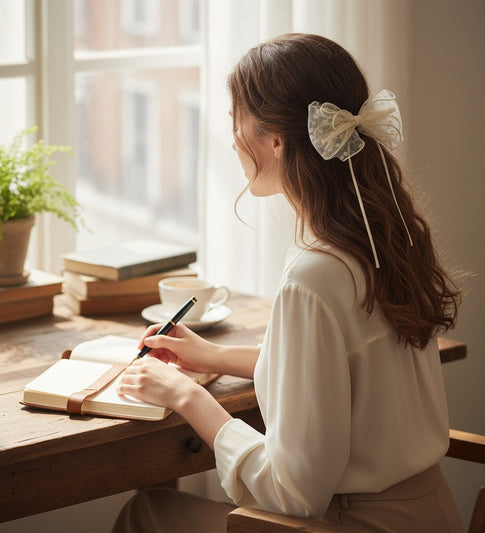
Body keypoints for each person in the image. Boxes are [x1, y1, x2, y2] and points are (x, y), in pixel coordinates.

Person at [113, 33, 464, 533]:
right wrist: (212, 358)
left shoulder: (312, 276)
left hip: (356, 524)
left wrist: (186, 396)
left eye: (237, 122)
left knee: (146, 513)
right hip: (432, 513)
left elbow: (295, 494)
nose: (233, 139)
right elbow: (339, 375)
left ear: (276, 139)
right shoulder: (384, 235)